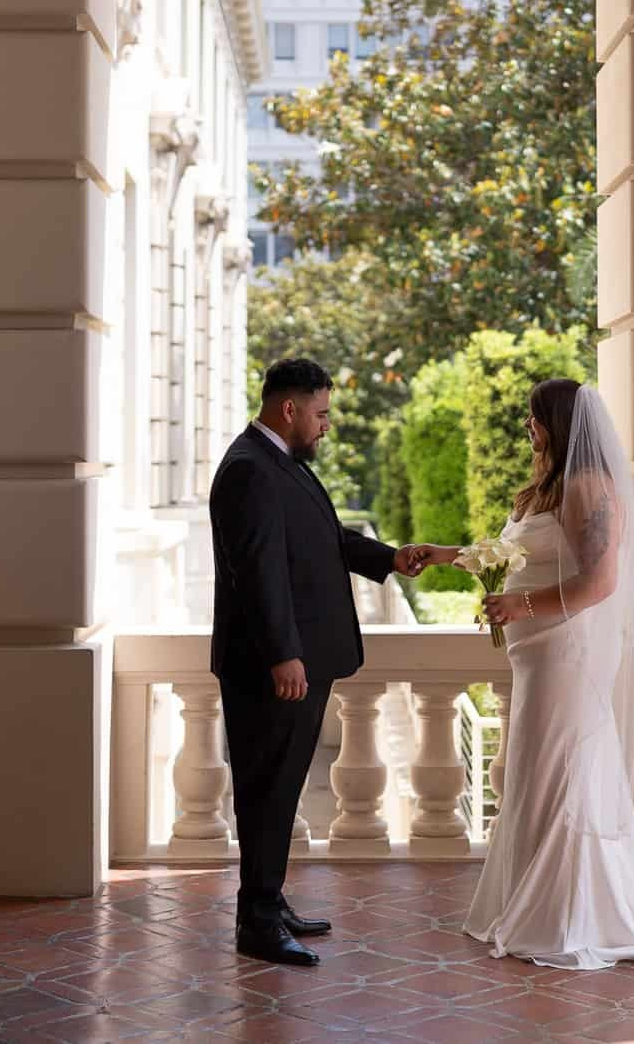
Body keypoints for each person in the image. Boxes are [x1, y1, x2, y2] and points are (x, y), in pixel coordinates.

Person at [424, 378, 634, 984]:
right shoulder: (545, 489)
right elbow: (508, 554)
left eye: (534, 417)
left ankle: (572, 914)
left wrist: (519, 609)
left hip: (569, 655)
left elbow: (599, 584)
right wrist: (445, 554)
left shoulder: (588, 488)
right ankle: (533, 901)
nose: (528, 427)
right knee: (534, 766)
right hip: (539, 657)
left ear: (558, 423)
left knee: (563, 767)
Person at [207, 358, 438, 967]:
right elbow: (258, 573)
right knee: (266, 790)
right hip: (273, 667)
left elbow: (324, 540)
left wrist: (393, 558)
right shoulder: (249, 471)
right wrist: (284, 654)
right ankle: (257, 922)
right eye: (321, 413)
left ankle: (267, 899)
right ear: (289, 409)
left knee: (282, 788)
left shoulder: (281, 465)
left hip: (299, 661)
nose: (326, 425)